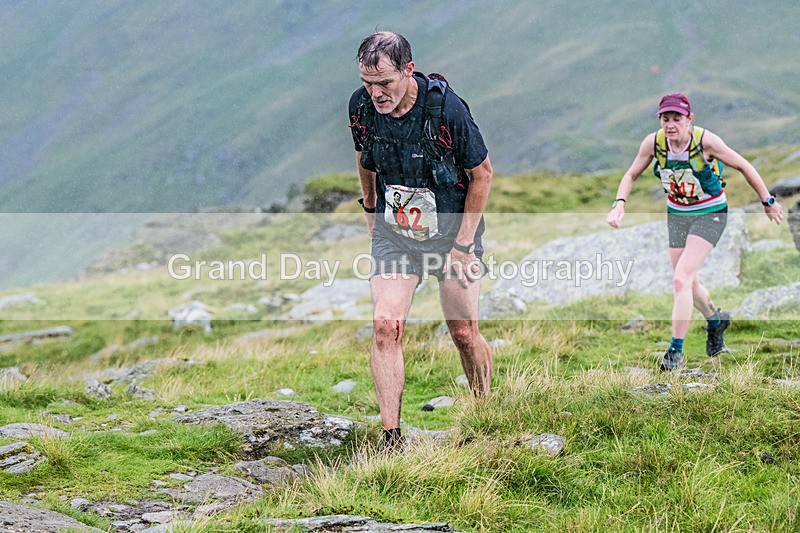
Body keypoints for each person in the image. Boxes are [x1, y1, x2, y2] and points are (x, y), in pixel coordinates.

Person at [348, 31, 493, 450]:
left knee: (463, 332)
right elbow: (364, 157)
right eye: (367, 83)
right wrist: (370, 208)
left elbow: (482, 174)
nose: (375, 93)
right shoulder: (362, 107)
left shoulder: (446, 109)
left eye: (384, 83)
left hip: (451, 234)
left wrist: (463, 244)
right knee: (385, 326)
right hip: (396, 235)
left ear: (408, 70)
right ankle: (391, 437)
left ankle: (485, 411)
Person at [607, 93, 784, 371]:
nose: (670, 124)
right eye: (665, 118)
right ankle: (716, 321)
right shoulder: (653, 143)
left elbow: (743, 165)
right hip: (677, 215)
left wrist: (767, 200)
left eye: (677, 118)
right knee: (687, 282)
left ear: (689, 119)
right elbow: (631, 174)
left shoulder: (706, 142)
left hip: (710, 213)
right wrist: (620, 203)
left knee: (680, 279)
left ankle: (675, 352)